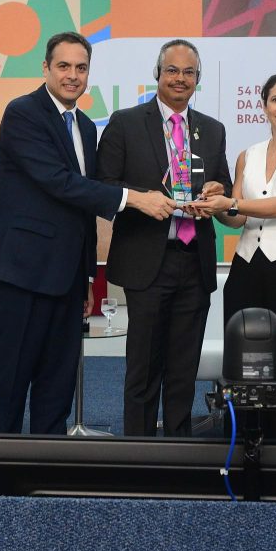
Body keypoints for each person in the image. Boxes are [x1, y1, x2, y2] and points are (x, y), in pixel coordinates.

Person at [0, 32, 175, 434]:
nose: (73, 75)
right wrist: (135, 199)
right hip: (24, 273)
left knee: (58, 384)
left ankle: (47, 463)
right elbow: (60, 183)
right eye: (64, 66)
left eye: (81, 67)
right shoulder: (23, 113)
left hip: (69, 277)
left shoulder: (86, 127)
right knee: (13, 380)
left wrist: (88, 275)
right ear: (46, 68)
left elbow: (83, 208)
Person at [97, 39, 232, 437]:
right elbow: (103, 186)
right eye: (172, 70)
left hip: (194, 260)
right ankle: (139, 454)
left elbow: (223, 184)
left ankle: (179, 453)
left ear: (197, 79)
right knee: (143, 370)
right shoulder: (125, 123)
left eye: (189, 72)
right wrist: (142, 200)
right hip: (146, 262)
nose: (180, 78)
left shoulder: (212, 129)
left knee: (183, 371)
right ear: (157, 74)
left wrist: (215, 191)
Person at [191, 71, 276, 440]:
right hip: (247, 268)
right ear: (264, 106)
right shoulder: (247, 155)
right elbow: (237, 219)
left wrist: (231, 202)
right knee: (244, 363)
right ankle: (244, 441)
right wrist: (212, 205)